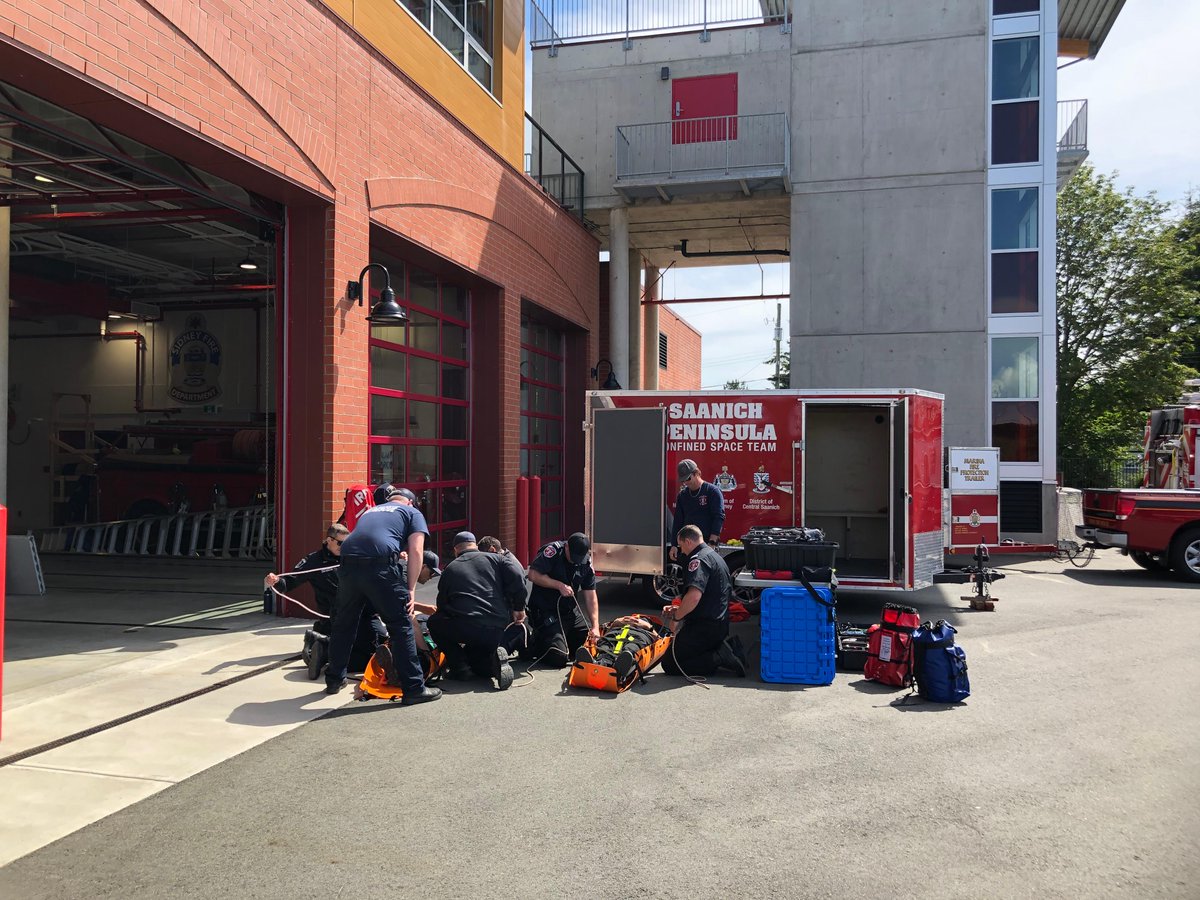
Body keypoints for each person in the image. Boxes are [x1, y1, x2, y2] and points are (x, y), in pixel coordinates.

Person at [323, 485, 441, 704]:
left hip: (348, 566)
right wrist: (411, 589)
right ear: (411, 502)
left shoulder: (371, 511)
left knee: (344, 624)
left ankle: (334, 679)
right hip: (379, 568)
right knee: (400, 625)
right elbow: (417, 551)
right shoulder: (412, 512)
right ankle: (414, 688)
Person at [265, 523, 384, 675]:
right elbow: (289, 582)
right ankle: (323, 650)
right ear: (329, 540)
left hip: (364, 611)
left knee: (380, 644)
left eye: (347, 543)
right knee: (362, 657)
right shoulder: (314, 560)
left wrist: (397, 558)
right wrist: (275, 581)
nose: (344, 547)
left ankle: (322, 645)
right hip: (336, 615)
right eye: (340, 543)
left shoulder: (353, 555)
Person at [426, 532, 527, 690]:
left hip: (467, 627)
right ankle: (493, 663)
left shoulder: (450, 569)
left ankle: (460, 667)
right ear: (475, 545)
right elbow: (518, 578)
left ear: (455, 550)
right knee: (479, 664)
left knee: (434, 622)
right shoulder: (498, 559)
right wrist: (519, 608)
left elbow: (442, 606)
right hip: (497, 626)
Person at [661, 525, 747, 678]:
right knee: (687, 654)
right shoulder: (714, 556)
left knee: (670, 664)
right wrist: (679, 609)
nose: (682, 551)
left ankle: (718, 657)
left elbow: (694, 596)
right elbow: (709, 596)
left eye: (681, 546)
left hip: (704, 627)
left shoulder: (698, 560)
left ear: (688, 541)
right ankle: (726, 649)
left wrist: (676, 618)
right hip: (718, 624)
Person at [526, 532, 601, 667]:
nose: (575, 561)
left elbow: (590, 596)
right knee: (559, 657)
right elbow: (533, 575)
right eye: (573, 557)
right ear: (566, 547)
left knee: (593, 644)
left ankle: (563, 641)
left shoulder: (585, 562)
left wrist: (595, 627)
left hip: (569, 612)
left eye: (579, 558)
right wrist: (559, 585)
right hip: (547, 612)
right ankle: (535, 642)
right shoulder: (553, 551)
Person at [479, 535, 532, 657]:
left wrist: (518, 608)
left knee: (496, 652)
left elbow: (520, 588)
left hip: (511, 612)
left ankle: (519, 640)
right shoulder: (500, 561)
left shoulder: (510, 563)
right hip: (501, 609)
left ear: (492, 550)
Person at [574, 615, 662, 683]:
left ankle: (619, 669)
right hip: (616, 633)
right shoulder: (619, 623)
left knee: (629, 650)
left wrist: (648, 626)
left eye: (637, 619)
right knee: (605, 647)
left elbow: (660, 641)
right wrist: (615, 623)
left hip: (638, 636)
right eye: (630, 618)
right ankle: (597, 663)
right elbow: (604, 633)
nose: (633, 620)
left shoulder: (648, 627)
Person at [670, 459, 726, 560]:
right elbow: (678, 520)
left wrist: (712, 542)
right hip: (688, 546)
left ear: (696, 473)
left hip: (706, 543)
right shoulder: (682, 495)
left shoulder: (712, 491)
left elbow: (718, 517)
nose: (685, 483)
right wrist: (674, 545)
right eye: (683, 480)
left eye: (688, 478)